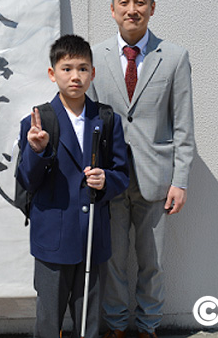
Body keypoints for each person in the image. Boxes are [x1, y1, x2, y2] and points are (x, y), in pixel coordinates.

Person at [91, 0, 195, 338]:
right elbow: (89, 120)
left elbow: (183, 126)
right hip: (111, 178)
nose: (131, 9)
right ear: (112, 9)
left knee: (153, 262)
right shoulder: (95, 56)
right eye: (124, 2)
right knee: (113, 260)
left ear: (152, 7)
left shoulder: (174, 57)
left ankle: (148, 326)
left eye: (140, 2)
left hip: (157, 179)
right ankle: (117, 326)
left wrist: (180, 181)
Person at [17, 35, 129, 338]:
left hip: (93, 237)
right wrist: (37, 151)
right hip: (52, 239)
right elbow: (26, 180)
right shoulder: (37, 122)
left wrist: (106, 180)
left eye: (82, 68)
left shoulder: (106, 119)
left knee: (89, 323)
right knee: (48, 321)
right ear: (52, 73)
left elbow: (122, 174)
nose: (75, 76)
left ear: (93, 73)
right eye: (66, 69)